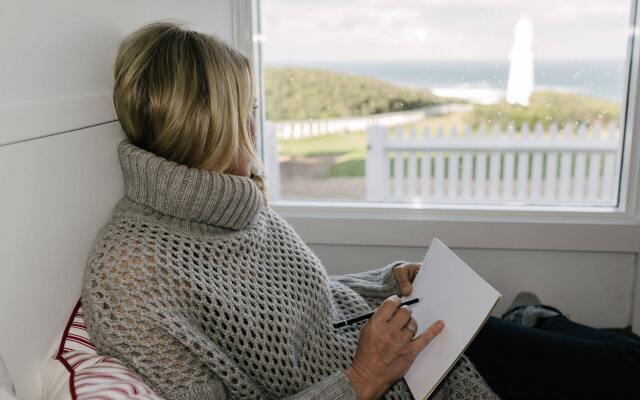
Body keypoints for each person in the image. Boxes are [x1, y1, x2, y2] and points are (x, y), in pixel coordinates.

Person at [81, 22, 639, 400]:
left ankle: (531, 321)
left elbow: (305, 309)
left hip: (413, 345)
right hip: (405, 376)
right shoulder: (132, 278)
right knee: (621, 372)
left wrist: (383, 282)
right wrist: (363, 376)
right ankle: (532, 321)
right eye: (245, 112)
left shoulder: (230, 198)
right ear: (208, 124)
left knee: (621, 352)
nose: (254, 128)